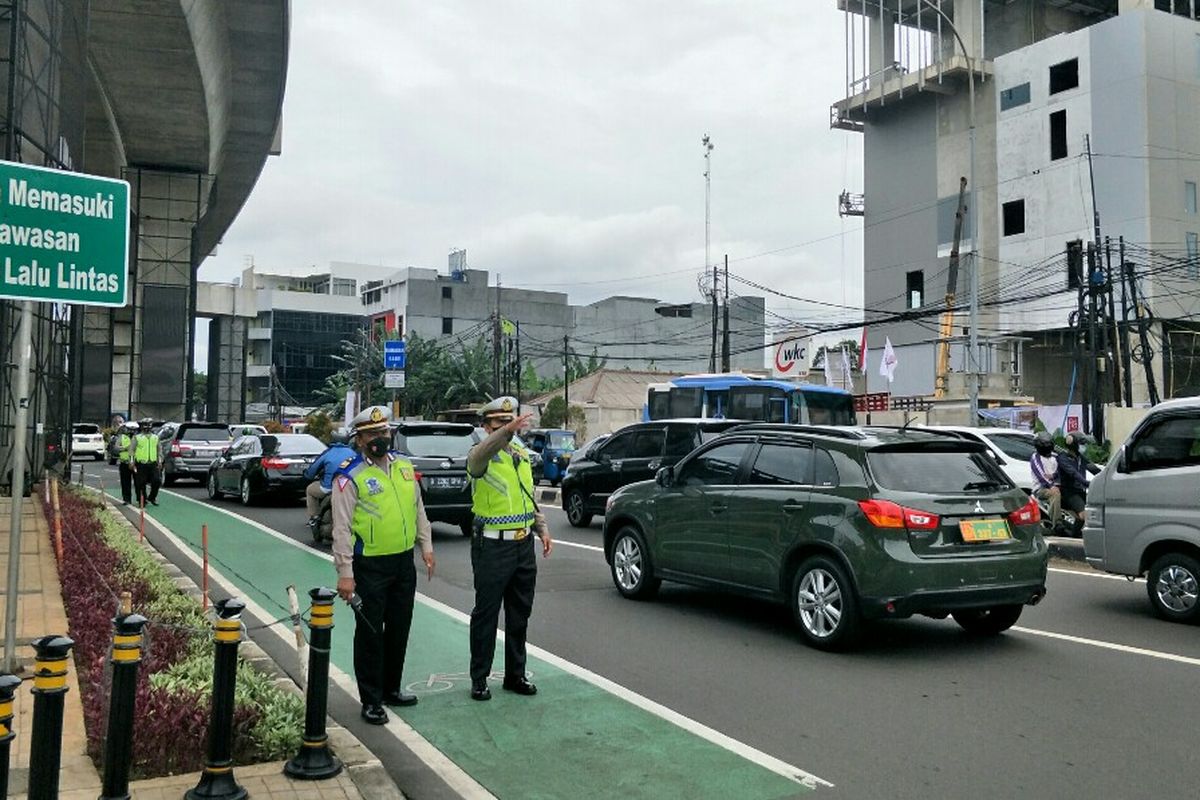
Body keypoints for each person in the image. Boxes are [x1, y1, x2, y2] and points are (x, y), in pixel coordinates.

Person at [332, 405, 435, 725]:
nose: (380, 438)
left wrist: (426, 546)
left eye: (384, 432)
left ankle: (392, 688)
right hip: (369, 566)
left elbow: (418, 509)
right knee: (370, 633)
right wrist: (345, 573)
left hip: (403, 563)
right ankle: (371, 699)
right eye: (373, 434)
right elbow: (341, 528)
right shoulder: (350, 474)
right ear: (359, 439)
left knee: (399, 628)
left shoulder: (404, 468)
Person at [466, 396, 553, 702]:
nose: (508, 428)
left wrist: (540, 527)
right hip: (491, 545)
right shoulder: (479, 456)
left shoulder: (519, 453)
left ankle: (515, 674)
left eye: (510, 422)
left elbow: (526, 494)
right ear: (485, 426)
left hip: (522, 544)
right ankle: (479, 678)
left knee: (519, 615)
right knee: (486, 614)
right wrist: (505, 433)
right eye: (499, 424)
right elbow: (480, 456)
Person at [304, 427, 354, 534]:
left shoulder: (328, 453)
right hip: (348, 488)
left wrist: (307, 475)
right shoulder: (354, 454)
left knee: (310, 490)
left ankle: (314, 517)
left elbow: (312, 470)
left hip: (328, 488)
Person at [1057, 432, 1092, 537]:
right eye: (1081, 444)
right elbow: (1073, 473)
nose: (1083, 446)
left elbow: (1093, 467)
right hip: (1069, 492)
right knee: (1083, 515)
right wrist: (1086, 482)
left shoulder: (1080, 457)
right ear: (1073, 444)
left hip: (1080, 490)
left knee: (1093, 510)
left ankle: (1076, 534)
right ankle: (1074, 535)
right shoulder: (1063, 458)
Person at [1030, 431, 1062, 534]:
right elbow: (1041, 475)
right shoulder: (1036, 458)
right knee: (1055, 494)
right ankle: (1057, 523)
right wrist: (1052, 485)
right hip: (1041, 489)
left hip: (1055, 486)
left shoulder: (1055, 457)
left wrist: (1054, 477)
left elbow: (1060, 471)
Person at [129, 418, 161, 507]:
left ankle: (152, 497)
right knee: (140, 483)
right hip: (141, 463)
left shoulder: (155, 437)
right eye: (145, 425)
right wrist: (131, 462)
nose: (147, 427)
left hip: (153, 463)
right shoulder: (137, 437)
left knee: (157, 481)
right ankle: (141, 500)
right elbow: (131, 450)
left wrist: (160, 461)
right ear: (142, 426)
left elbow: (159, 451)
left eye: (149, 424)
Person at [116, 421, 138, 505]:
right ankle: (127, 499)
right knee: (125, 482)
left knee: (138, 481)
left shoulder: (138, 438)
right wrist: (125, 448)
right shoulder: (122, 437)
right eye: (130, 429)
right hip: (124, 462)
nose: (131, 431)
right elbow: (116, 448)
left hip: (136, 463)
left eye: (134, 430)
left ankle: (141, 499)